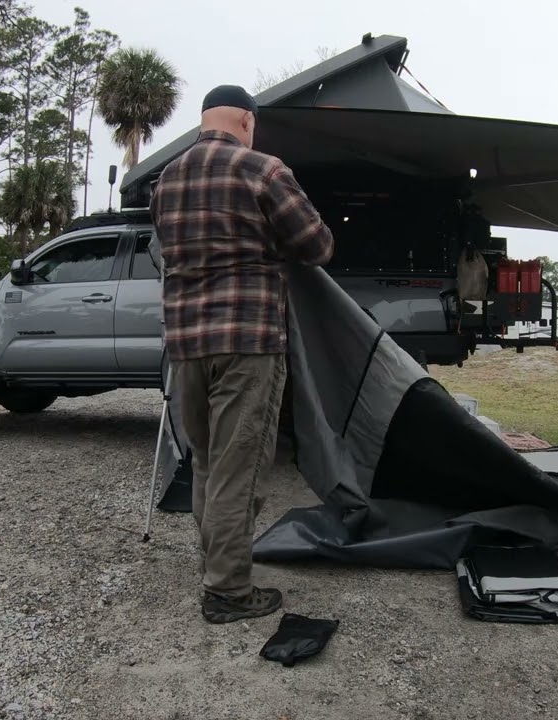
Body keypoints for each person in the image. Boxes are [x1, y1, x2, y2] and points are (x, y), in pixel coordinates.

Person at [150, 84, 335, 623]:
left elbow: (168, 253)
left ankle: (213, 564)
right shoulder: (262, 170)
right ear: (247, 122)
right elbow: (318, 245)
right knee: (240, 466)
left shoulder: (167, 180)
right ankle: (228, 590)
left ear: (205, 120)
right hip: (247, 344)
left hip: (185, 345)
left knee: (207, 462)